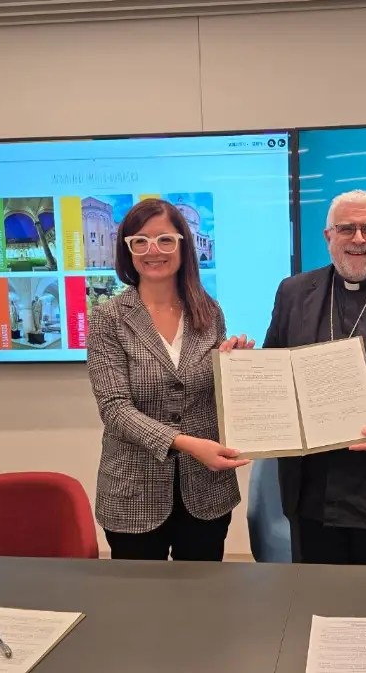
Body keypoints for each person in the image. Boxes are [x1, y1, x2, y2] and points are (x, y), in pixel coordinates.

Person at [226, 189, 366, 566]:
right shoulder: (294, 291)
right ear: (328, 236)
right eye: (346, 228)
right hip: (313, 485)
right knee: (316, 592)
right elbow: (275, 368)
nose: (358, 238)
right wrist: (244, 365)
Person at [86, 198, 249, 562]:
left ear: (183, 246)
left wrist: (234, 365)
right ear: (127, 250)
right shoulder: (107, 318)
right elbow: (115, 409)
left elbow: (212, 393)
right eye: (140, 241)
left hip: (206, 490)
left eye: (165, 240)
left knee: (204, 591)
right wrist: (187, 444)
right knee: (141, 596)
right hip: (134, 491)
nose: (153, 250)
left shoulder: (209, 312)